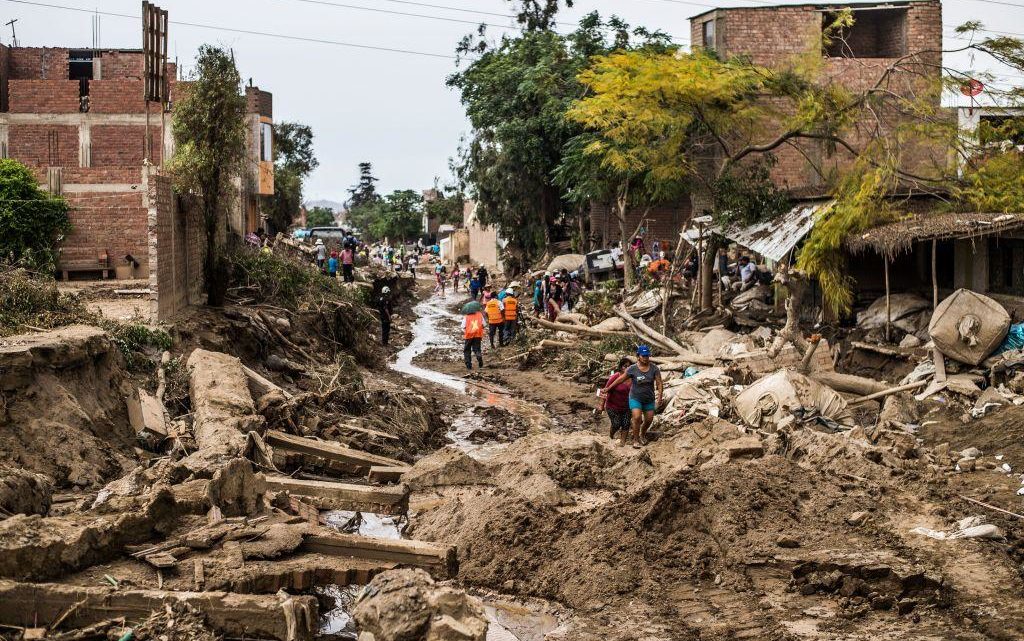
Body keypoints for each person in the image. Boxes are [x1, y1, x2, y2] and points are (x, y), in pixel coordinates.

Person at [600, 345, 662, 449]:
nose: (646, 358)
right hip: (635, 398)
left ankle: (642, 433)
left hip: (649, 399)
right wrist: (608, 388)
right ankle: (635, 440)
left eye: (647, 356)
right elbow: (620, 379)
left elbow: (659, 383)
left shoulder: (654, 368)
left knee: (649, 419)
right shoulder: (632, 369)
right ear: (638, 356)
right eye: (643, 356)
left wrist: (660, 396)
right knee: (637, 418)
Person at [599, 357, 633, 445]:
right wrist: (602, 405)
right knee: (616, 424)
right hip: (612, 406)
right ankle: (611, 435)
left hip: (626, 406)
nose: (627, 368)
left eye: (629, 366)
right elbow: (605, 390)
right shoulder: (615, 377)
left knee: (626, 424)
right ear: (621, 367)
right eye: (625, 366)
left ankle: (623, 442)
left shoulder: (633, 378)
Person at [462, 305, 485, 370]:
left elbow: (463, 326)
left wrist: (466, 331)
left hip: (469, 335)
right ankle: (478, 355)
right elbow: (484, 324)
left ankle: (468, 365)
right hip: (478, 334)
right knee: (477, 349)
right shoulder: (480, 315)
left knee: (467, 350)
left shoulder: (466, 317)